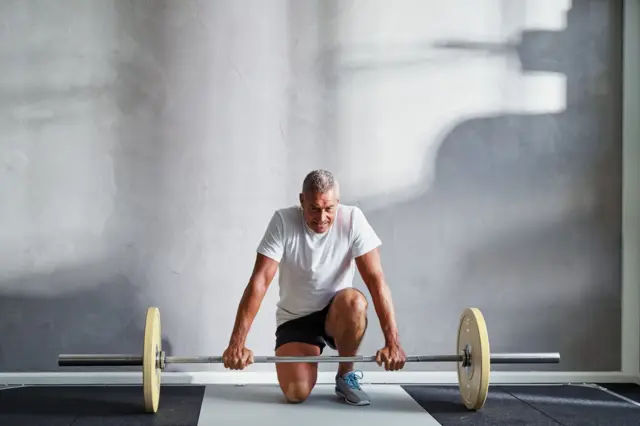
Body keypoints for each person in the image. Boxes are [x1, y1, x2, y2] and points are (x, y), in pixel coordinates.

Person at [221, 169, 406, 406]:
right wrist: (237, 342)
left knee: (355, 302)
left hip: (338, 313)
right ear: (302, 201)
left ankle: (345, 374)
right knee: (296, 394)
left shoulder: (353, 219)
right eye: (314, 209)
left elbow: (376, 280)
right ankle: (306, 362)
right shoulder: (283, 221)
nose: (322, 217)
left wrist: (393, 343)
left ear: (337, 202)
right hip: (296, 319)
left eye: (329, 208)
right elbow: (260, 281)